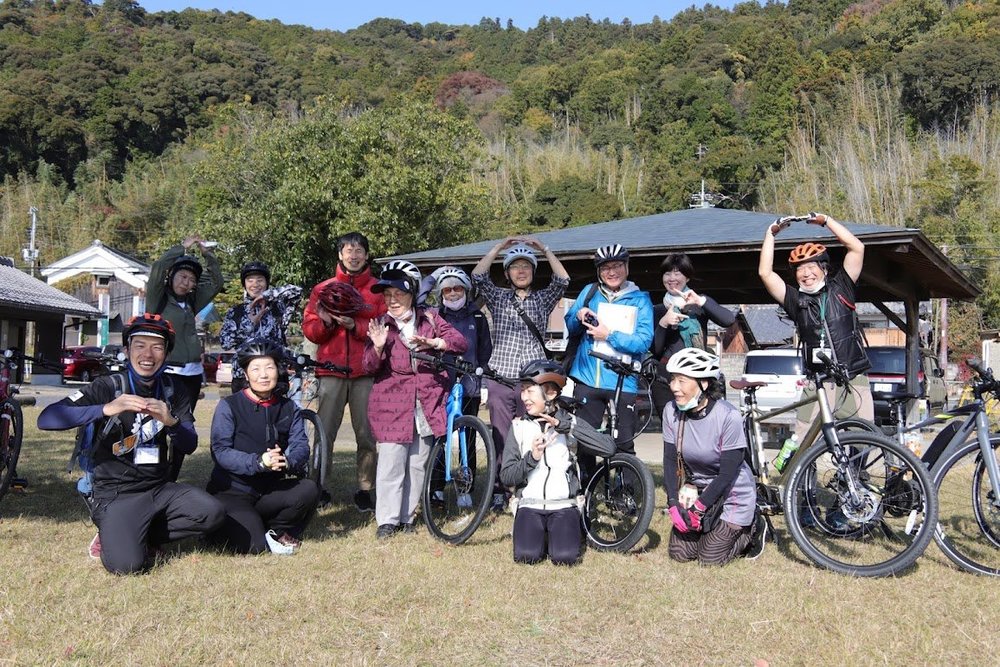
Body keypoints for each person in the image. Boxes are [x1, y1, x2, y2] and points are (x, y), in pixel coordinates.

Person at [37, 314, 224, 575]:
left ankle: (140, 532)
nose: (148, 354)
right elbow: (48, 419)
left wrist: (171, 422)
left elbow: (190, 444)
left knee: (212, 513)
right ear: (127, 350)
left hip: (159, 488)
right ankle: (113, 530)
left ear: (166, 353)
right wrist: (106, 408)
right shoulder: (108, 386)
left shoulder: (173, 388)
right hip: (116, 493)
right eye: (139, 345)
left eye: (157, 347)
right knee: (126, 565)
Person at [363, 260, 467, 539]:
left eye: (398, 294)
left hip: (426, 402)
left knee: (418, 463)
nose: (392, 300)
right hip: (390, 403)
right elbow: (369, 367)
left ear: (411, 293)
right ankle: (387, 520)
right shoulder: (381, 325)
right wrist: (378, 347)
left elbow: (460, 342)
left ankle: (408, 516)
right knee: (391, 463)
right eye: (387, 296)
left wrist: (436, 344)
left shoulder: (431, 318)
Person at [471, 236, 569, 510]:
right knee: (501, 437)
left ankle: (530, 486)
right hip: (501, 378)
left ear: (533, 272)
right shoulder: (498, 297)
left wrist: (546, 248)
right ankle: (500, 490)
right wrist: (497, 249)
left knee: (533, 435)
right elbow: (478, 276)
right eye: (515, 266)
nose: (521, 271)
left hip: (532, 381)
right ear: (507, 273)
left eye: (526, 266)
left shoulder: (542, 299)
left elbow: (562, 280)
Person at [757, 212, 874, 438]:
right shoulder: (795, 300)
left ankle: (857, 475)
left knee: (864, 438)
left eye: (811, 266)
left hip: (852, 376)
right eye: (800, 269)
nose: (806, 273)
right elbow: (765, 273)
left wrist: (827, 221)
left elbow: (857, 248)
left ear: (824, 268)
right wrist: (770, 235)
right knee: (802, 441)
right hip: (817, 380)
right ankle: (802, 474)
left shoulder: (841, 287)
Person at [206, 343, 319, 555]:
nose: (263, 375)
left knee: (308, 489)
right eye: (256, 369)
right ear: (246, 374)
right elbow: (220, 451)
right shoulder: (229, 406)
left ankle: (274, 529)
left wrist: (288, 461)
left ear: (278, 370)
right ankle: (233, 528)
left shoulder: (289, 408)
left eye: (269, 368)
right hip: (233, 491)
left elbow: (300, 446)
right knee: (254, 547)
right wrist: (258, 462)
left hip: (269, 490)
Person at [499, 360, 614, 565]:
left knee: (565, 558)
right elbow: (506, 476)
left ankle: (556, 532)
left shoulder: (571, 421)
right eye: (522, 390)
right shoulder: (518, 426)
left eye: (530, 391)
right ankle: (539, 532)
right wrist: (531, 458)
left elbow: (608, 448)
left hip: (564, 505)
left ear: (551, 394)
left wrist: (566, 427)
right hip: (530, 504)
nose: (524, 397)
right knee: (526, 557)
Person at [302, 232, 386, 511]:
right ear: (340, 255)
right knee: (324, 433)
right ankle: (318, 486)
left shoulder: (377, 289)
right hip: (330, 372)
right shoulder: (322, 289)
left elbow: (384, 329)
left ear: (366, 255)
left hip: (365, 372)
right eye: (348, 250)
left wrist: (356, 326)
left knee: (367, 435)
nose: (354, 255)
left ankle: (365, 489)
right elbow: (311, 332)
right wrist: (325, 324)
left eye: (359, 250)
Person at [662, 348, 765, 566]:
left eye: (682, 380)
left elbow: (728, 473)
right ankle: (711, 529)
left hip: (732, 493)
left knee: (709, 559)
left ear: (704, 384)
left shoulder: (728, 416)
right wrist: (673, 503)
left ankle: (754, 527)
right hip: (699, 491)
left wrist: (699, 509)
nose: (674, 387)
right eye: (673, 380)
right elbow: (670, 461)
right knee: (680, 553)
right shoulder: (671, 411)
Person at [564, 244, 653, 466]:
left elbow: (643, 341)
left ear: (627, 267)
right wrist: (578, 315)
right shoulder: (590, 292)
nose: (611, 272)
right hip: (588, 379)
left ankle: (625, 495)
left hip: (623, 381)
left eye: (617, 266)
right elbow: (571, 326)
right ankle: (587, 491)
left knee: (624, 442)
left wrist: (609, 335)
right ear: (598, 271)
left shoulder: (640, 299)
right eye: (605, 268)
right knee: (586, 441)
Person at [147, 235, 224, 479]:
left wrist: (207, 254)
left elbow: (217, 282)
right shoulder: (158, 299)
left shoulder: (192, 302)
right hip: (168, 372)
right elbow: (158, 269)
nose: (186, 282)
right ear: (172, 277)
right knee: (158, 423)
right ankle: (153, 474)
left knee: (181, 427)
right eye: (182, 276)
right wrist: (182, 247)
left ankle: (172, 477)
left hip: (191, 374)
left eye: (191, 279)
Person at [651, 253, 736, 416]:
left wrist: (700, 301)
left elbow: (728, 319)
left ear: (687, 277)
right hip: (666, 378)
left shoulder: (699, 303)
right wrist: (664, 323)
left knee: (700, 424)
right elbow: (656, 350)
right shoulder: (659, 309)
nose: (672, 278)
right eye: (667, 273)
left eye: (678, 273)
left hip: (698, 375)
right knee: (671, 427)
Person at [219, 261, 303, 392]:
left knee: (279, 411)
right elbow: (225, 343)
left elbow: (297, 292)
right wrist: (249, 325)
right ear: (244, 284)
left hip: (276, 374)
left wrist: (266, 296)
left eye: (260, 280)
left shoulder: (278, 307)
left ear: (266, 283)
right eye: (250, 280)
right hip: (244, 377)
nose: (255, 285)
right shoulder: (236, 312)